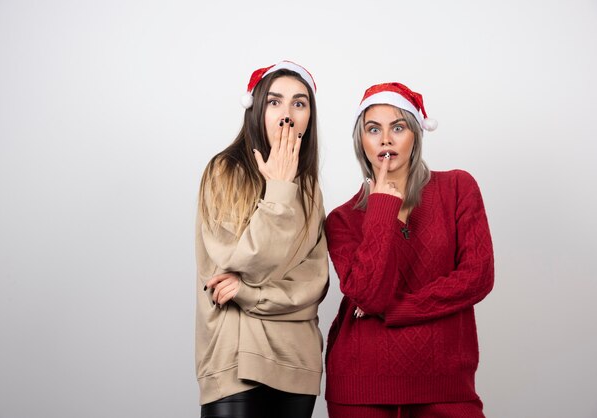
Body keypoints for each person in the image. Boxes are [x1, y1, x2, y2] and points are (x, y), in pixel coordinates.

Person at [324, 82, 494, 418]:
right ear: (362, 141)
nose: (385, 139)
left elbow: (478, 276)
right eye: (374, 129)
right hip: (362, 386)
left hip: (445, 384)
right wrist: (383, 205)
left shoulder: (458, 188)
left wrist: (400, 309)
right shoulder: (342, 220)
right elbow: (369, 297)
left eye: (397, 127)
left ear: (415, 134)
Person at [195, 60, 329, 418]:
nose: (287, 114)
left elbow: (313, 285)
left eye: (299, 104)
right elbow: (237, 263)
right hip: (235, 361)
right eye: (274, 102)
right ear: (255, 110)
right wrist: (279, 190)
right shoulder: (224, 171)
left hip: (297, 363)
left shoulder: (310, 189)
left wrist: (249, 294)